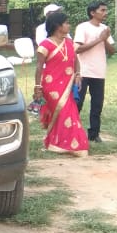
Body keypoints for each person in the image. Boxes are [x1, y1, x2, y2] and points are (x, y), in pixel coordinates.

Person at [32, 11, 88, 157]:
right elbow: (39, 67)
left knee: (70, 113)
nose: (69, 25)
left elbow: (75, 60)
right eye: (66, 23)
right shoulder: (45, 45)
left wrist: (78, 74)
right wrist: (37, 87)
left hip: (68, 85)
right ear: (58, 26)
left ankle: (61, 143)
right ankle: (63, 144)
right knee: (62, 113)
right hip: (51, 86)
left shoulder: (69, 43)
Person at [74, 2, 116, 142]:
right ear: (93, 13)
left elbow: (112, 51)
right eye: (102, 10)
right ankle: (73, 132)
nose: (105, 13)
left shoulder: (104, 29)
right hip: (83, 72)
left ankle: (94, 134)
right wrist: (99, 39)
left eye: (106, 10)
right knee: (77, 103)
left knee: (97, 105)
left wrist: (105, 40)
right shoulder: (83, 27)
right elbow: (77, 49)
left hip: (99, 72)